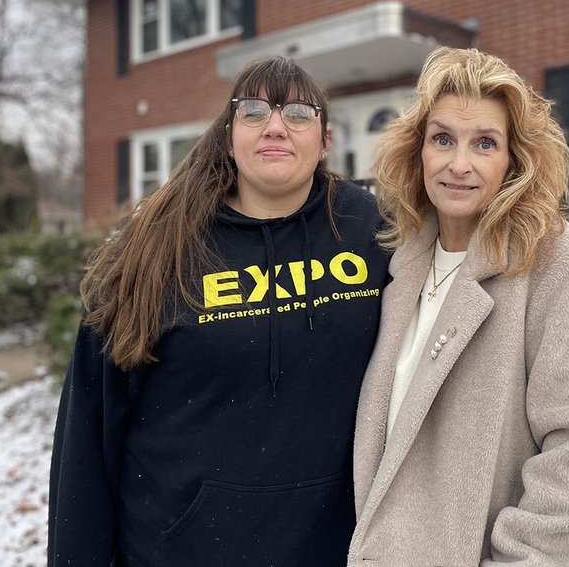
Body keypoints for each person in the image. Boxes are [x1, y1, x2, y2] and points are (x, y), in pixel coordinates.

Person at [48, 57, 389, 567]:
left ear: (326, 141)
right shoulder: (156, 250)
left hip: (338, 549)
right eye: (254, 111)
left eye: (298, 113)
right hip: (177, 549)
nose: (275, 125)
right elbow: (88, 438)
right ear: (230, 134)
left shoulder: (375, 233)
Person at [349, 47, 569, 565]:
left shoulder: (560, 263)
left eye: (485, 143)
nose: (460, 164)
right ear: (419, 152)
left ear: (514, 159)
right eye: (443, 140)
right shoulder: (399, 259)